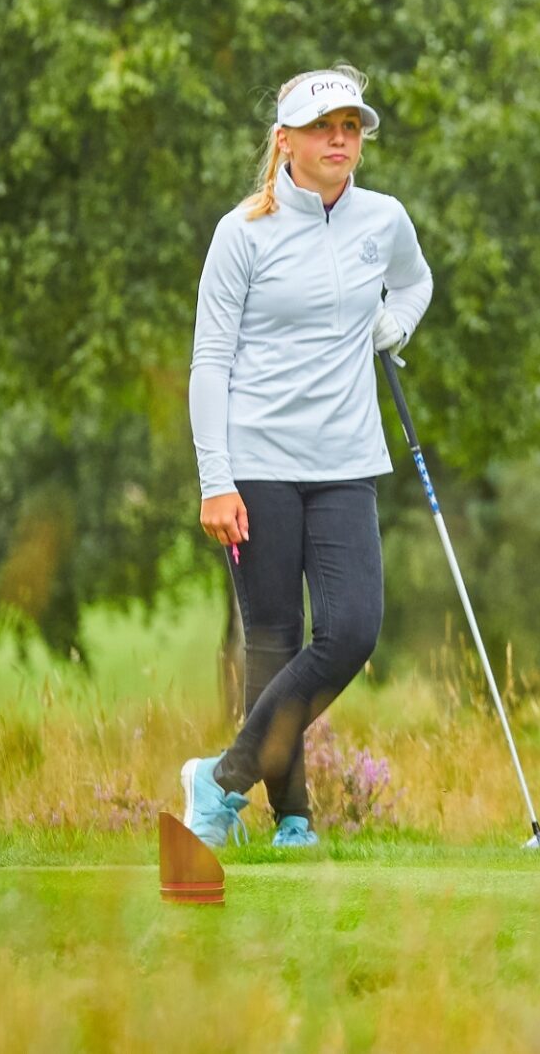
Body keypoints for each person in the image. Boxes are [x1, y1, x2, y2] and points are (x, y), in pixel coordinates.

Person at [178, 67, 433, 848]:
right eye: (324, 127)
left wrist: (395, 325)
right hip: (256, 461)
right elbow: (209, 360)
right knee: (274, 640)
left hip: (347, 460)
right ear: (285, 139)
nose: (340, 140)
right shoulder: (242, 233)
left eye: (351, 127)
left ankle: (218, 779)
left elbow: (415, 283)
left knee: (351, 630)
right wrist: (215, 479)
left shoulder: (384, 219)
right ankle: (293, 821)